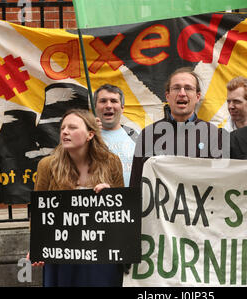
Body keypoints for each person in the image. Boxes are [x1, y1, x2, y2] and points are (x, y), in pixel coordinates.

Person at [34, 109, 125, 287]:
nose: (65, 132)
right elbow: (39, 213)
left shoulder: (112, 162)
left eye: (73, 127)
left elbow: (122, 211)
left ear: (90, 134)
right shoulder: (47, 165)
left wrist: (110, 194)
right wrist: (37, 247)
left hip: (101, 253)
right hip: (62, 253)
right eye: (62, 128)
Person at [129, 67, 227, 188]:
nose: (182, 93)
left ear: (197, 96)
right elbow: (135, 184)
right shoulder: (148, 135)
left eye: (188, 88)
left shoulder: (213, 134)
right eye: (176, 88)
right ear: (167, 96)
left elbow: (220, 182)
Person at [94, 84, 138, 186]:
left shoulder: (136, 135)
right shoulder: (85, 137)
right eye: (103, 101)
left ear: (122, 108)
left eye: (114, 101)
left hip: (133, 199)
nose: (108, 106)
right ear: (95, 107)